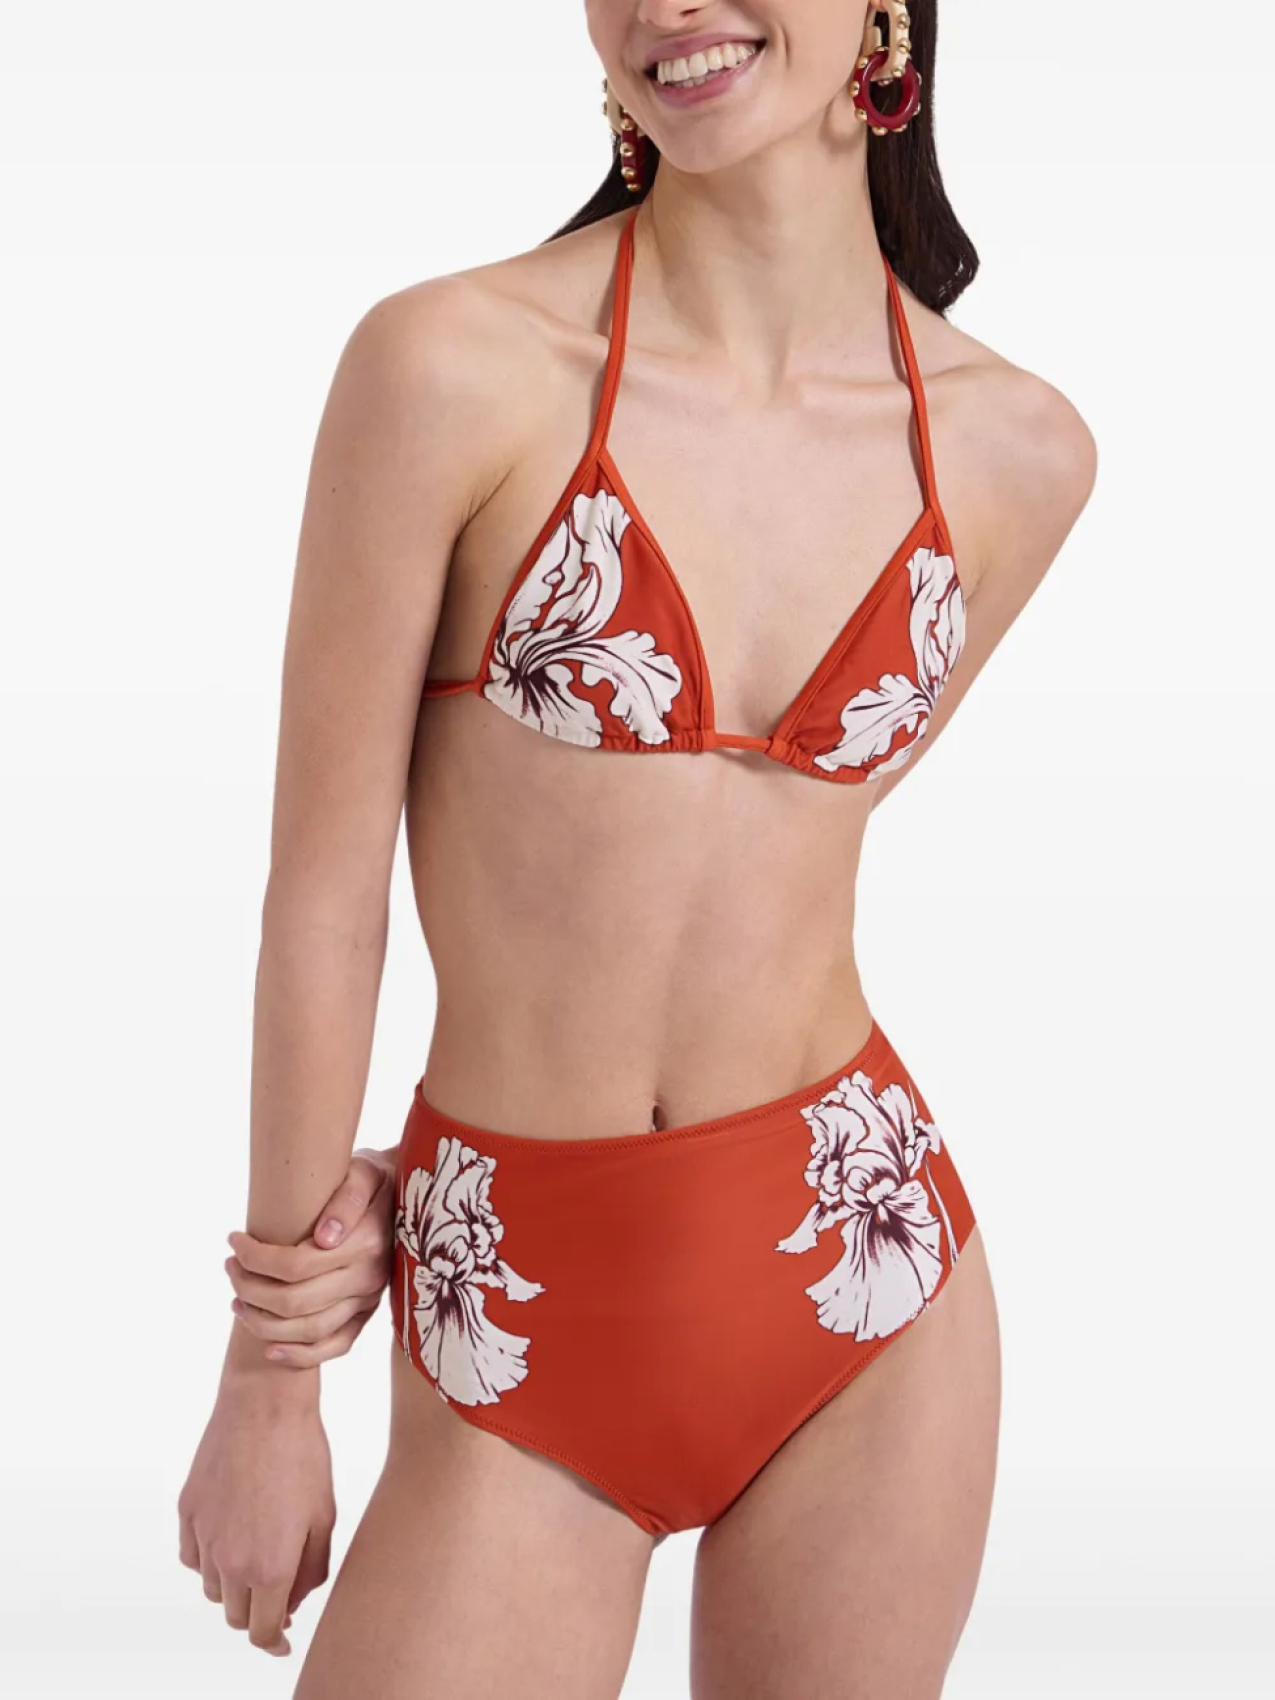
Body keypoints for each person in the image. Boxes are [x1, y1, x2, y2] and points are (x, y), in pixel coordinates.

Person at [177, 3, 1097, 1694]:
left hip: (864, 1269)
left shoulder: (1019, 452)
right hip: (519, 1289)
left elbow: (783, 844)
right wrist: (270, 1374)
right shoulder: (449, 369)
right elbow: (322, 898)